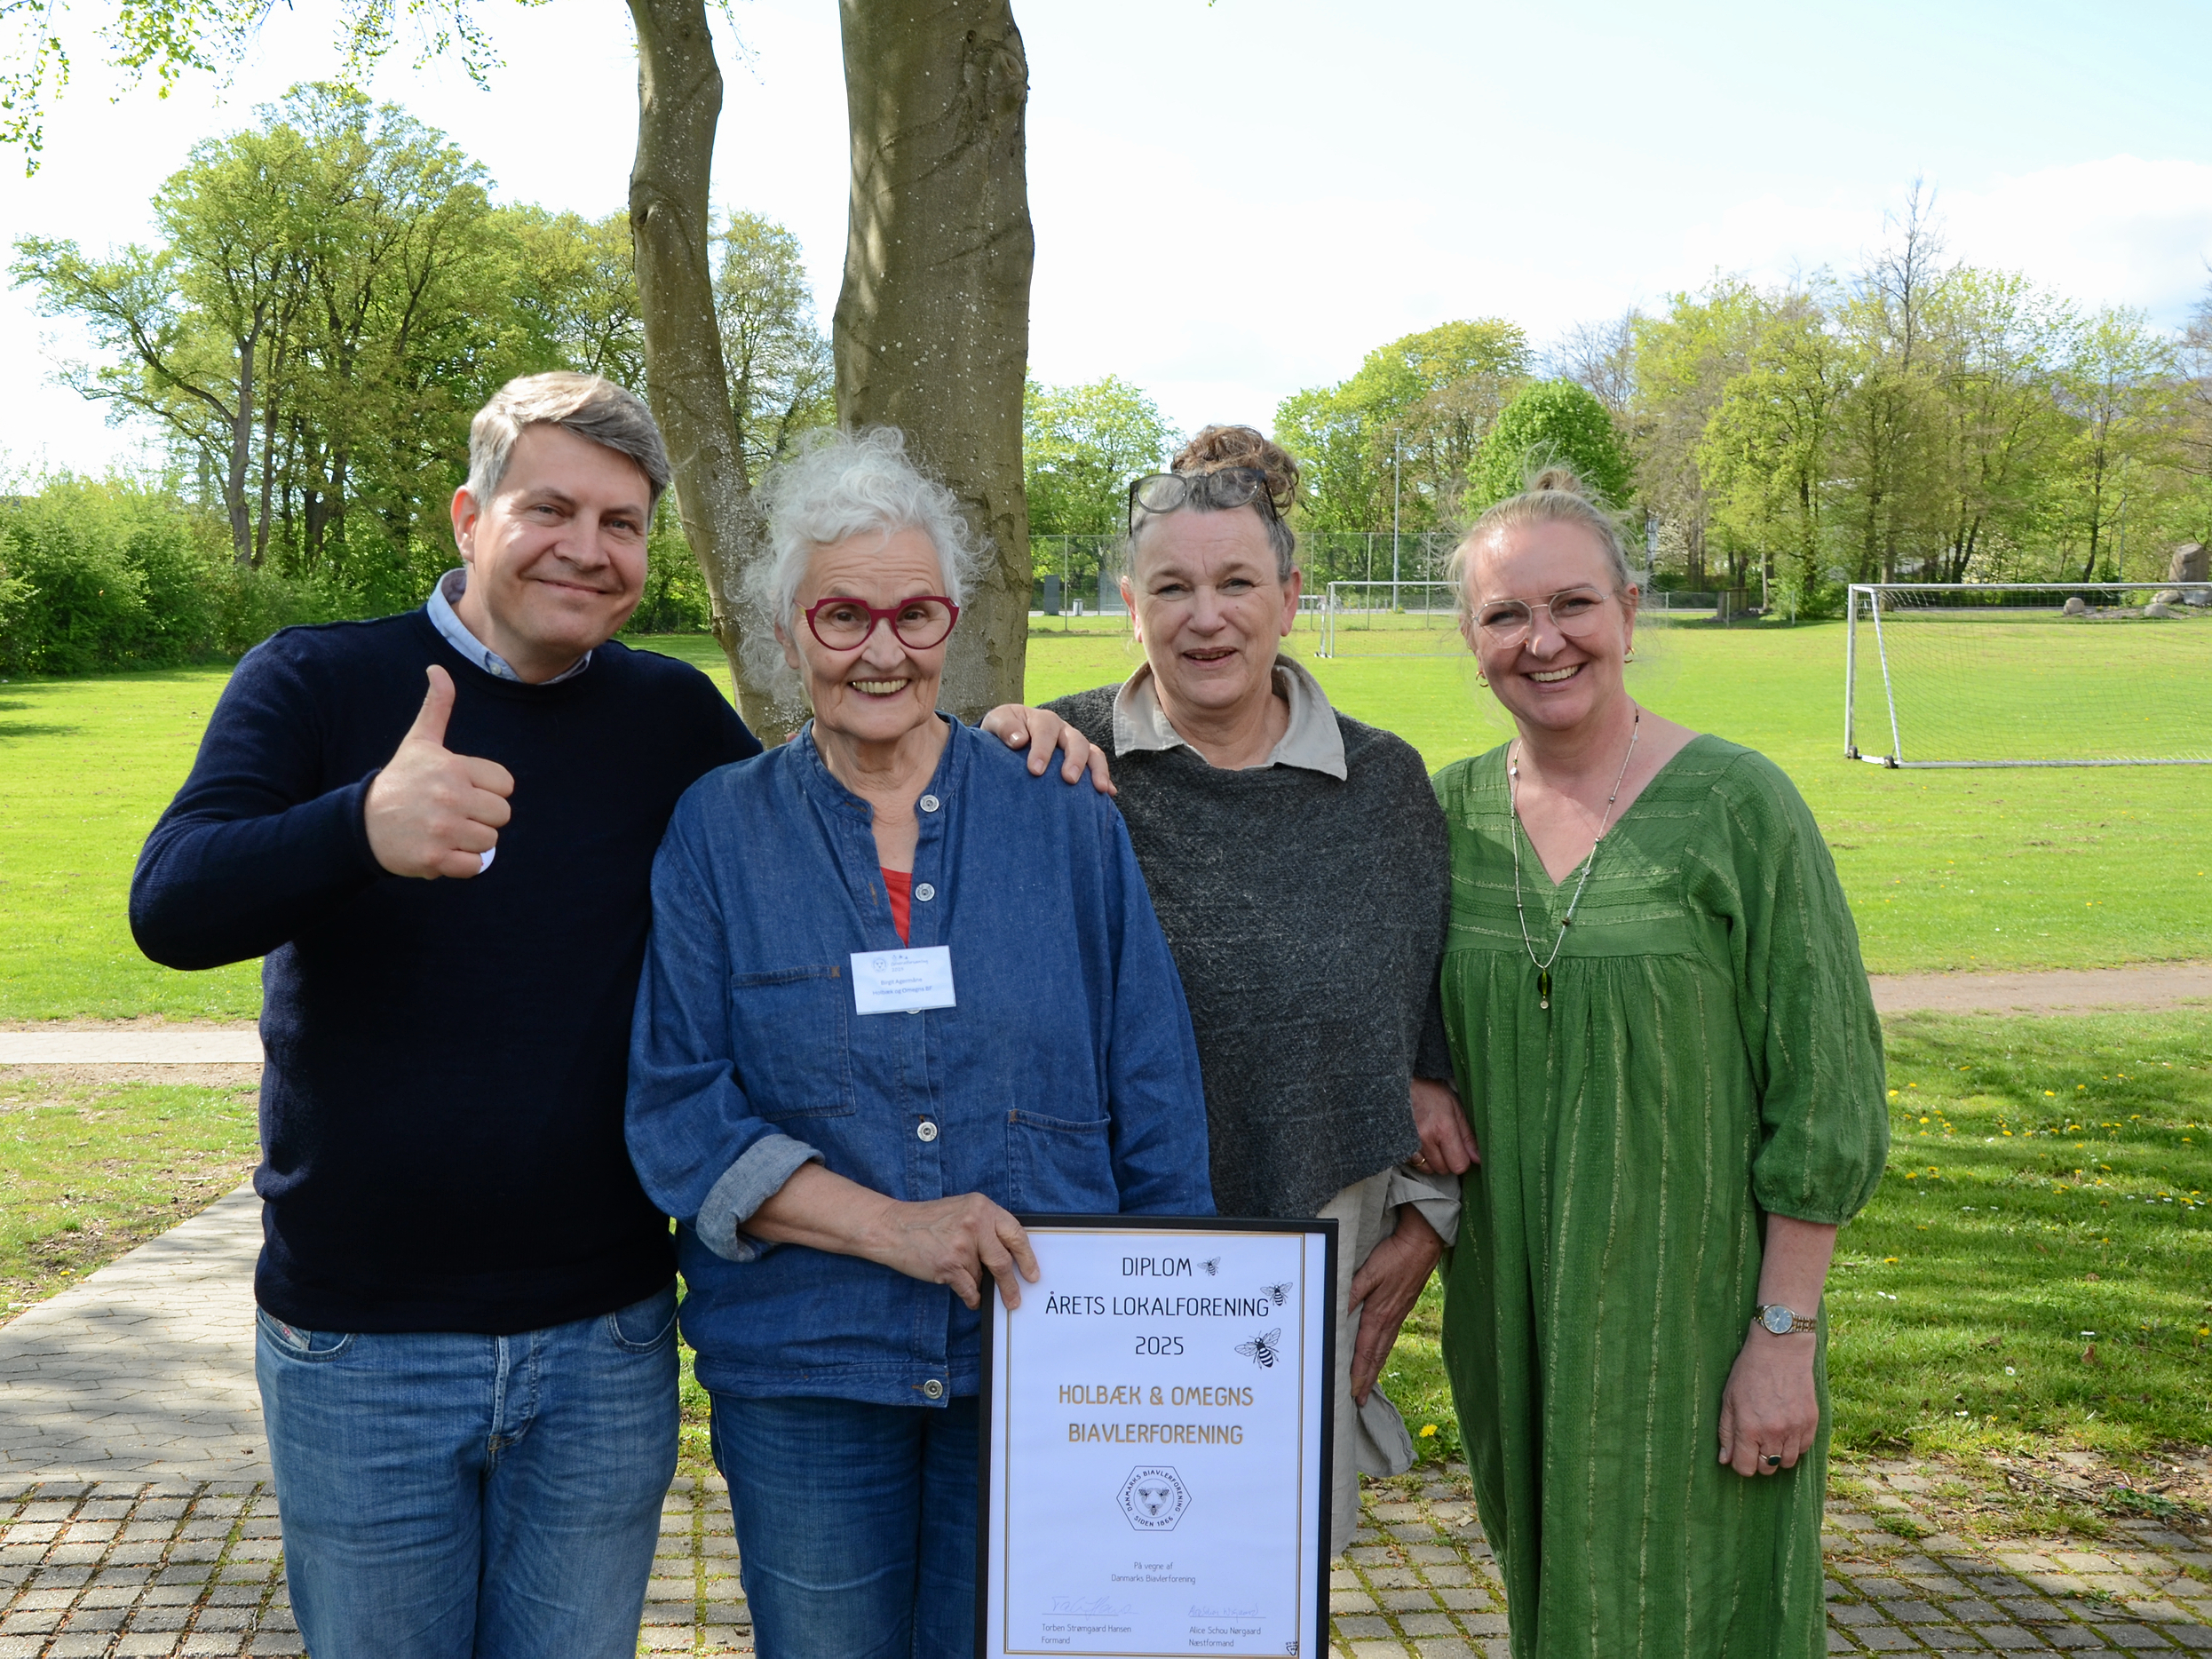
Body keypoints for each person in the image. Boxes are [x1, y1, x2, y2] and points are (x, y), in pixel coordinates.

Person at [127, 374, 1107, 1659]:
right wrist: (358, 825)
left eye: (623, 522)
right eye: (552, 509)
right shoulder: (317, 680)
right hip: (364, 1341)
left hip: (602, 1338)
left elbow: (839, 775)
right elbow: (172, 905)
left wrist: (1007, 740)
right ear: (471, 516)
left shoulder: (663, 720)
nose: (587, 548)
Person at [626, 428, 1215, 1659]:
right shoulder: (719, 833)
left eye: (915, 613)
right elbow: (679, 1109)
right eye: (842, 616)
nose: (882, 650)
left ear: (953, 622)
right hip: (806, 1369)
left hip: (1048, 1361)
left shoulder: (1063, 813)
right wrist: (897, 1229)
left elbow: (1151, 1085)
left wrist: (1173, 1347)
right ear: (787, 628)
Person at [1431, 473, 1890, 1659]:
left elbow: (1826, 1090)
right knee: (1561, 1608)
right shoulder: (1444, 821)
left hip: (1696, 1324)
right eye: (1504, 615)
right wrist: (1410, 1075)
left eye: (1574, 603)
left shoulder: (1742, 807)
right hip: (1516, 1316)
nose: (1544, 640)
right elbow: (1353, 1003)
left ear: (1630, 610)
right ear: (1469, 639)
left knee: (1702, 1608)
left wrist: (1784, 1337)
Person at [1042, 425, 1476, 1556]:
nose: (1206, 614)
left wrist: (1431, 1219)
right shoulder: (1053, 761)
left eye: (1237, 582)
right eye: (1172, 586)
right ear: (1131, 603)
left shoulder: (1381, 784)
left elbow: (1434, 1032)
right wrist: (994, 732)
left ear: (1289, 597)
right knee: (1105, 1585)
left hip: (1302, 1278)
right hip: (1093, 1271)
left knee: (1262, 1588)